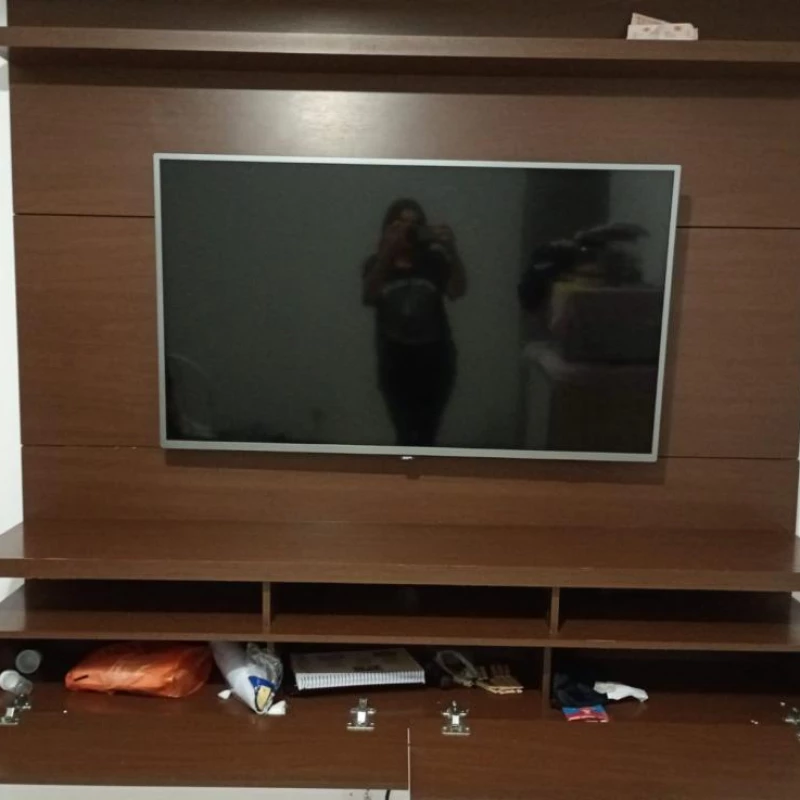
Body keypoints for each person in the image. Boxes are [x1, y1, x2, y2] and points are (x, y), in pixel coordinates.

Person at [362, 198, 467, 446]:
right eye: (401, 225)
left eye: (415, 225)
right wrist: (387, 252)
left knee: (428, 432)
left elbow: (457, 290)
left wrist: (452, 250)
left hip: (436, 359)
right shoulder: (376, 264)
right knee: (403, 432)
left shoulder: (433, 261)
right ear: (388, 228)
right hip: (394, 360)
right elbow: (369, 296)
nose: (408, 231)